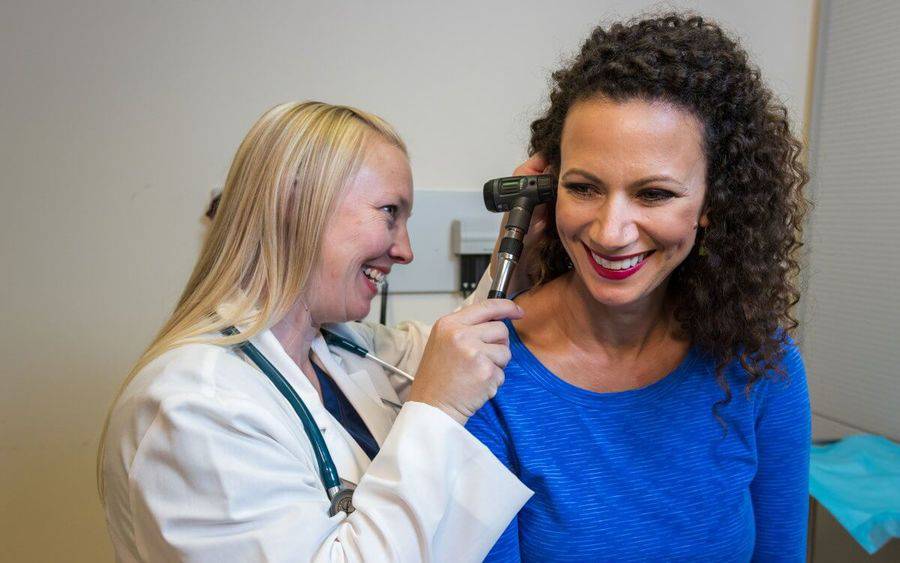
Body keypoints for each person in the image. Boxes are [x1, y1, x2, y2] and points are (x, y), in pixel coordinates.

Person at [98, 101, 532, 562]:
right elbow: (440, 385)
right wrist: (437, 410)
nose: (405, 251)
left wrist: (515, 263)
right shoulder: (194, 410)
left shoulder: (340, 349)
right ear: (295, 203)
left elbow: (453, 349)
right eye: (389, 212)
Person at [466, 13, 812, 561]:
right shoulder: (487, 373)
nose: (610, 232)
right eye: (583, 187)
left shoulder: (759, 363)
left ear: (713, 204)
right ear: (546, 189)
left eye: (653, 194)